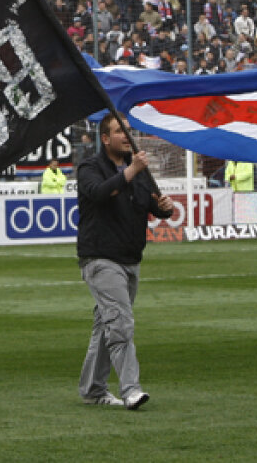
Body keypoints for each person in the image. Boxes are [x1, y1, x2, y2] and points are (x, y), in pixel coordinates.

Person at [75, 113, 175, 409]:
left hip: (130, 257)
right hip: (101, 257)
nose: (126, 136)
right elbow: (99, 193)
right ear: (105, 139)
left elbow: (151, 205)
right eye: (119, 131)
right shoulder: (90, 167)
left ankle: (93, 389)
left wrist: (165, 209)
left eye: (128, 131)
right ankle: (131, 389)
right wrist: (132, 170)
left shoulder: (140, 171)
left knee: (105, 326)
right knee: (120, 323)